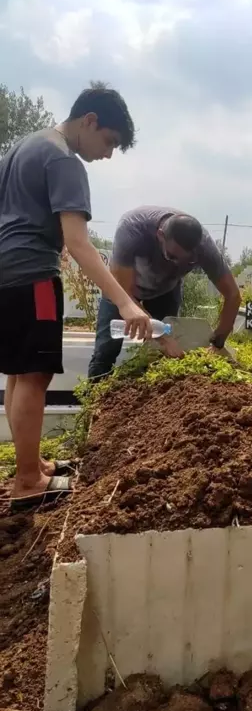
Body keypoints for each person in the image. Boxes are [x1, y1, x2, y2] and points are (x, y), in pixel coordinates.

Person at [0, 84, 151, 510]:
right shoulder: (64, 160)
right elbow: (79, 243)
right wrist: (125, 301)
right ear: (89, 120)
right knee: (35, 375)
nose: (107, 154)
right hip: (34, 276)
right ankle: (29, 482)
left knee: (17, 372)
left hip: (6, 274)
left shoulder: (23, 147)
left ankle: (31, 465)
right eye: (109, 141)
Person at [87, 207, 241, 379]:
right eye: (172, 256)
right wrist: (162, 336)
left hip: (165, 292)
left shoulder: (204, 247)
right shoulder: (132, 229)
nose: (177, 264)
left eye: (188, 260)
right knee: (105, 352)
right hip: (123, 291)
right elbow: (124, 292)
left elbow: (233, 295)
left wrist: (217, 343)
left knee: (160, 357)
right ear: (160, 236)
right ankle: (96, 396)